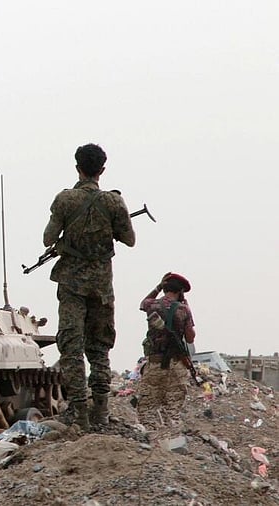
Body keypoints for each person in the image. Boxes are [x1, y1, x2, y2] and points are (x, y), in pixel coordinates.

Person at [42, 143, 136, 430]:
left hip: (71, 285)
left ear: (77, 167)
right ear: (102, 170)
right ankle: (101, 412)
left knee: (71, 346)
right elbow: (129, 239)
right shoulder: (114, 203)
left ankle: (79, 411)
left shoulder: (65, 200)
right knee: (99, 348)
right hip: (101, 288)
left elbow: (48, 238)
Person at [136, 272, 196, 435]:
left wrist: (157, 287)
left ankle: (149, 441)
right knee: (173, 409)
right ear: (180, 291)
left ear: (165, 288)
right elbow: (190, 339)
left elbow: (142, 303)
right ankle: (172, 444)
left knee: (147, 408)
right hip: (176, 365)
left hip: (154, 363)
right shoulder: (184, 309)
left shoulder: (152, 305)